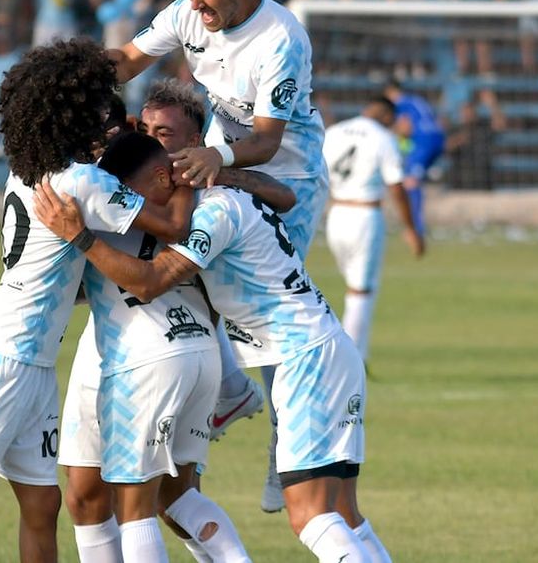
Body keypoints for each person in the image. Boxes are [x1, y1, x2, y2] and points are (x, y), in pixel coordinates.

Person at [0, 38, 194, 563]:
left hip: (30, 360)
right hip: (6, 359)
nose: (107, 129)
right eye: (98, 115)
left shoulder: (30, 165)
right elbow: (172, 222)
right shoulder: (82, 181)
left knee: (42, 503)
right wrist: (193, 168)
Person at [33, 146, 393, 563]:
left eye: (135, 196)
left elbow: (152, 282)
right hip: (323, 350)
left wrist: (81, 237)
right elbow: (282, 195)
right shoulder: (226, 195)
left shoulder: (213, 213)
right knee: (344, 515)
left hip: (304, 358)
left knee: (310, 516)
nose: (135, 211)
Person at [106, 0, 330, 512]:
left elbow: (265, 139)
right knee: (182, 262)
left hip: (288, 179)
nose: (195, 4)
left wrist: (216, 155)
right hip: (216, 165)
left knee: (277, 317)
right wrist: (66, 79)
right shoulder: (186, 13)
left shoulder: (282, 38)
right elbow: (126, 61)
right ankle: (230, 390)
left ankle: (290, 452)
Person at [59, 80, 294, 562]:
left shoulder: (203, 199)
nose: (149, 139)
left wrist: (215, 171)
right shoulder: (114, 181)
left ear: (195, 144)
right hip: (111, 340)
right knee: (89, 493)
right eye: (143, 128)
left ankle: (232, 385)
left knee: (139, 502)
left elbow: (279, 195)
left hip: (151, 349)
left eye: (163, 132)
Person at [322, 97, 424, 364]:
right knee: (361, 291)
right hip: (364, 215)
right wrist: (411, 228)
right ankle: (351, 359)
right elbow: (397, 186)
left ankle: (349, 353)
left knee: (351, 287)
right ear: (388, 117)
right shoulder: (383, 138)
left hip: (336, 213)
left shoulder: (333, 132)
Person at [385, 83, 446, 237]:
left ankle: (415, 228)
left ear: (391, 92)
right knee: (415, 179)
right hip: (437, 137)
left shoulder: (400, 103)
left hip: (423, 141)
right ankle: (416, 225)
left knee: (410, 181)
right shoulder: (417, 100)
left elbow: (405, 127)